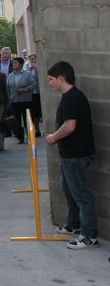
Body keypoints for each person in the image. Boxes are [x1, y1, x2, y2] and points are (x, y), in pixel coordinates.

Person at [45, 61, 98, 249]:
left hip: (76, 156)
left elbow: (70, 126)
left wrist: (53, 137)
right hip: (70, 155)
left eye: (51, 79)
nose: (49, 83)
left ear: (61, 78)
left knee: (82, 195)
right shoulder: (69, 96)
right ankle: (73, 226)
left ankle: (89, 235)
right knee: (70, 192)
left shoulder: (71, 98)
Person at [6, 57, 36, 144]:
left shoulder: (27, 74)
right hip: (14, 100)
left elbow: (33, 84)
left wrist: (25, 89)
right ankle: (19, 137)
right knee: (16, 120)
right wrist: (8, 100)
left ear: (20, 64)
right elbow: (8, 88)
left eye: (15, 63)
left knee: (28, 119)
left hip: (26, 100)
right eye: (13, 63)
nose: (13, 65)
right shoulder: (10, 75)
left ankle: (30, 136)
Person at [26, 53, 43, 136]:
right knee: (34, 113)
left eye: (33, 59)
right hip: (32, 93)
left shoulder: (39, 68)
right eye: (31, 59)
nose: (32, 61)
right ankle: (36, 130)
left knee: (39, 113)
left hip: (39, 92)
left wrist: (36, 68)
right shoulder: (28, 70)